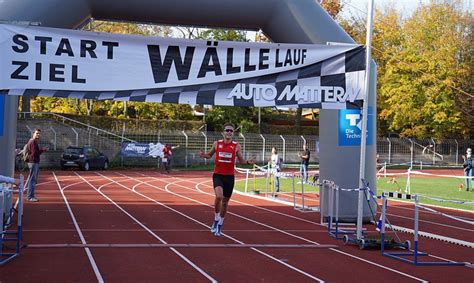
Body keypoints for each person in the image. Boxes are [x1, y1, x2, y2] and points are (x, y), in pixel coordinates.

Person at [199, 123, 255, 236]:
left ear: (233, 133)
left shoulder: (236, 146)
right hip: (218, 175)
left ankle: (219, 225)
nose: (229, 132)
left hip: (229, 177)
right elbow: (209, 155)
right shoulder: (217, 144)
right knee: (219, 196)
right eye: (227, 130)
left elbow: (242, 161)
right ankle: (215, 219)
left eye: (231, 131)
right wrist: (203, 155)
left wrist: (248, 162)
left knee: (225, 203)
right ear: (223, 132)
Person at [25, 128, 48, 202]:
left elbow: (35, 152)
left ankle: (31, 195)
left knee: (33, 180)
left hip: (34, 162)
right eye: (36, 133)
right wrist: (43, 150)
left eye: (39, 133)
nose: (38, 135)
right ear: (33, 133)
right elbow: (35, 153)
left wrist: (40, 150)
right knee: (32, 180)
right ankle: (30, 196)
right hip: (33, 162)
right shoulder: (32, 141)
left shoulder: (33, 141)